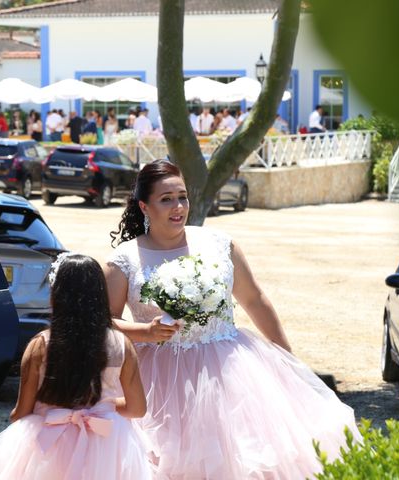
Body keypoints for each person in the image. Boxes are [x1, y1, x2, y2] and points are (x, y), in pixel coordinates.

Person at [104, 160, 360, 479]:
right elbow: (103, 322)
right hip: (157, 381)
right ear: (144, 205)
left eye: (182, 197)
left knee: (241, 458)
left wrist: (288, 361)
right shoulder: (124, 260)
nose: (178, 206)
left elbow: (254, 300)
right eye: (166, 199)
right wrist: (145, 331)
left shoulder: (219, 244)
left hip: (230, 373)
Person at [0, 254, 152, 480]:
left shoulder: (40, 345)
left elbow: (22, 412)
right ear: (100, 295)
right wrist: (104, 405)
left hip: (48, 438)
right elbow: (137, 409)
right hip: (107, 441)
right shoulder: (122, 345)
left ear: (56, 295)